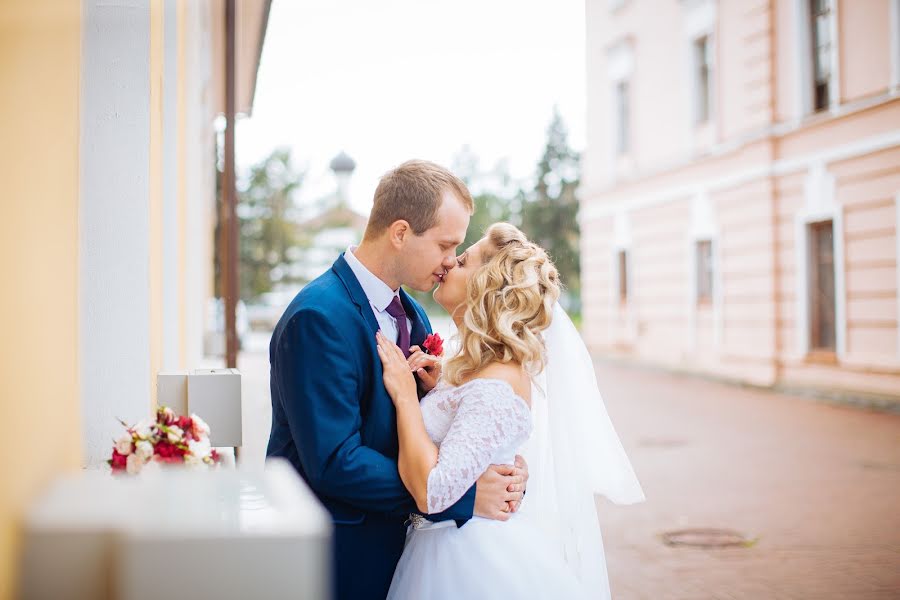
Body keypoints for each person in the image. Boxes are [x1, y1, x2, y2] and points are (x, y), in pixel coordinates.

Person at [266, 161, 529, 600]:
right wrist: (460, 494)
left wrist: (494, 458)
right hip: (341, 559)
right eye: (447, 245)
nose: (450, 263)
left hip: (409, 557)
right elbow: (335, 462)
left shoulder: (412, 311)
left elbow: (428, 428)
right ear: (401, 232)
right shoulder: (318, 318)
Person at [378, 223, 645, 599]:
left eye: (464, 259)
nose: (451, 262)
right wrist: (440, 390)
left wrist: (407, 397)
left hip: (465, 564)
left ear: (486, 284)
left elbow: (435, 492)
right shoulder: (477, 371)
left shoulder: (496, 382)